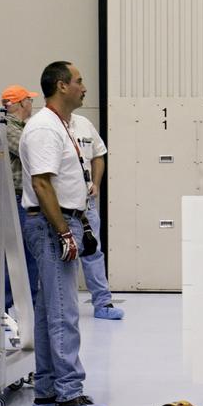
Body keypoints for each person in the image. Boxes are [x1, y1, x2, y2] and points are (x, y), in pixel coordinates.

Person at [19, 61, 109, 406]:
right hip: (51, 224)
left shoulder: (65, 125)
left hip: (62, 220)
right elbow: (42, 184)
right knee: (63, 312)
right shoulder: (44, 129)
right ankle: (69, 396)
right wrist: (63, 232)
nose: (84, 87)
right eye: (79, 81)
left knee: (48, 310)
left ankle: (46, 391)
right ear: (61, 86)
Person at [70, 111, 124, 320]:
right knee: (67, 256)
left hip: (87, 203)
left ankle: (103, 303)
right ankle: (66, 306)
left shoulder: (84, 123)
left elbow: (99, 156)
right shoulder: (49, 125)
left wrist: (96, 184)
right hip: (62, 205)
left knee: (93, 251)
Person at [0, 84, 40, 307]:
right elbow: (30, 149)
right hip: (17, 199)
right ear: (20, 104)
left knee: (30, 252)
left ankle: (31, 303)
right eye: (29, 100)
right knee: (17, 254)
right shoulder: (7, 128)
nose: (31, 104)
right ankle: (6, 305)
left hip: (26, 198)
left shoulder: (23, 127)